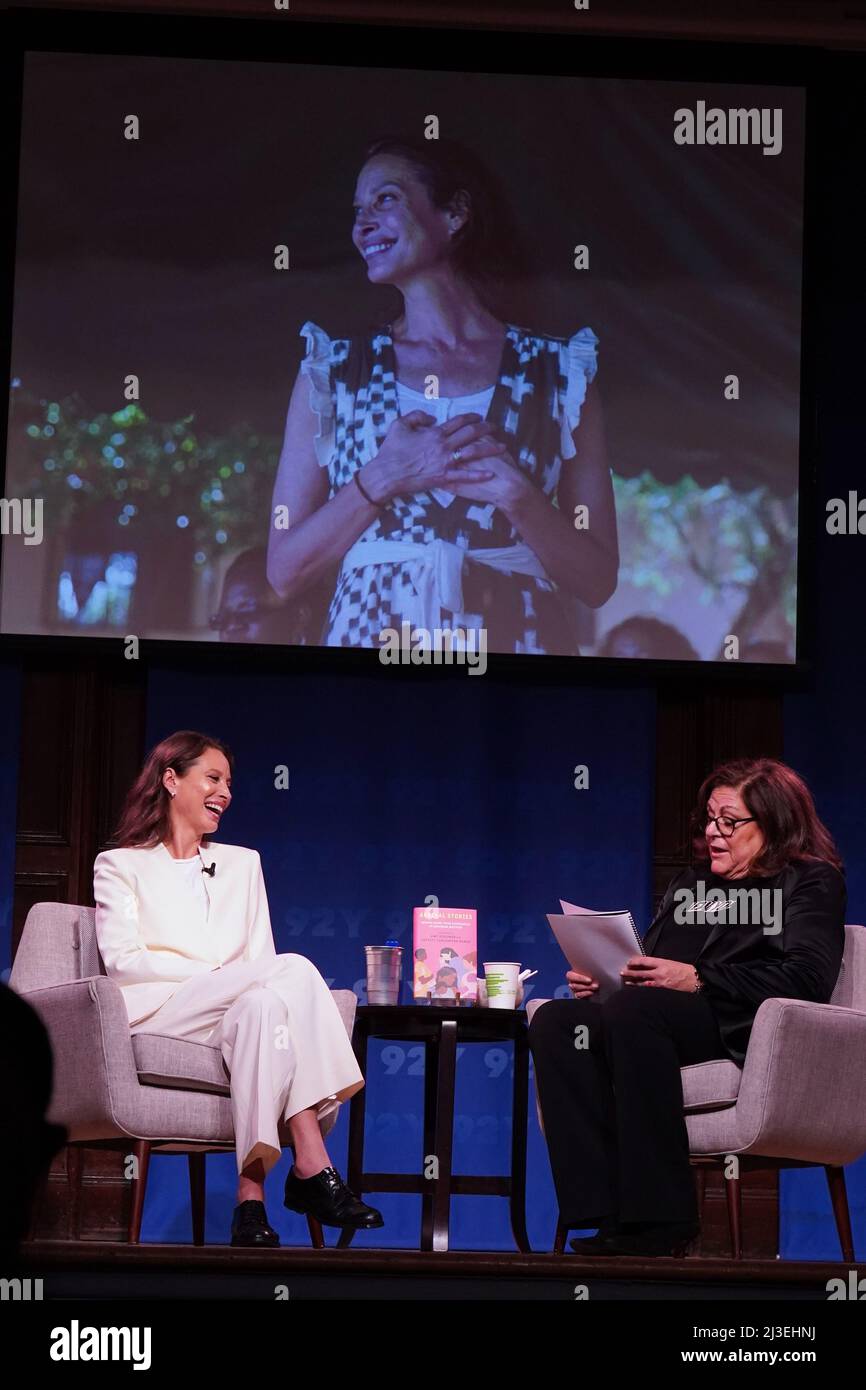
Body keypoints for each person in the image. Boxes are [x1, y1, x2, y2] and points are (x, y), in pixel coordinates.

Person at [266, 135, 618, 656]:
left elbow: (597, 581)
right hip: (372, 655)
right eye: (358, 210)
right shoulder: (334, 372)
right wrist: (386, 475)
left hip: (517, 651)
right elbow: (284, 572)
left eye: (385, 200)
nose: (362, 224)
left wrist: (517, 496)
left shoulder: (560, 372)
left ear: (454, 214)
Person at [528, 757, 847, 1256]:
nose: (713, 832)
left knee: (638, 1013)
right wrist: (608, 980)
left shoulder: (809, 881)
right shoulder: (691, 886)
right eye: (709, 820)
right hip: (657, 1019)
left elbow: (806, 978)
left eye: (730, 822)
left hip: (742, 1025)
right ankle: (601, 1210)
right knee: (559, 1021)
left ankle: (663, 1220)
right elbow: (653, 965)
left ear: (776, 823)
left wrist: (696, 978)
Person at [93, 729, 383, 1247]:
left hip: (231, 1011)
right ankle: (311, 1164)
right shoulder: (121, 865)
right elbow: (124, 963)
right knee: (290, 970)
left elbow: (257, 961)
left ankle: (250, 1206)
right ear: (171, 780)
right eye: (212, 778)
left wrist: (235, 983)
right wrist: (215, 977)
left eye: (228, 782)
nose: (225, 792)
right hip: (161, 1011)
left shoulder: (243, 864)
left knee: (267, 1007)